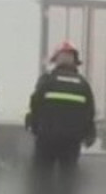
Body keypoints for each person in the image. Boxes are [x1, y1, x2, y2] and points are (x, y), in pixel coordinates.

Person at [29, 41, 97, 194]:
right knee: (68, 179)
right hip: (71, 141)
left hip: (47, 138)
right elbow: (89, 112)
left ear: (56, 59)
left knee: (42, 178)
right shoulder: (83, 84)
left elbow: (35, 106)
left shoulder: (47, 80)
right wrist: (89, 134)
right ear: (75, 60)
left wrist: (35, 127)